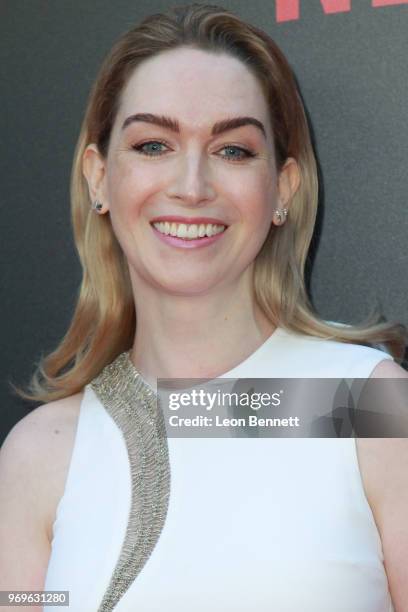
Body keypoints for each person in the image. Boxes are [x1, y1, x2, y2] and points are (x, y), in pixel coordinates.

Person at [0, 3, 407, 611]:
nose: (191, 186)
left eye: (233, 150)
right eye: (154, 144)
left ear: (283, 189)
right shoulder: (41, 453)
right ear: (98, 178)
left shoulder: (367, 405)